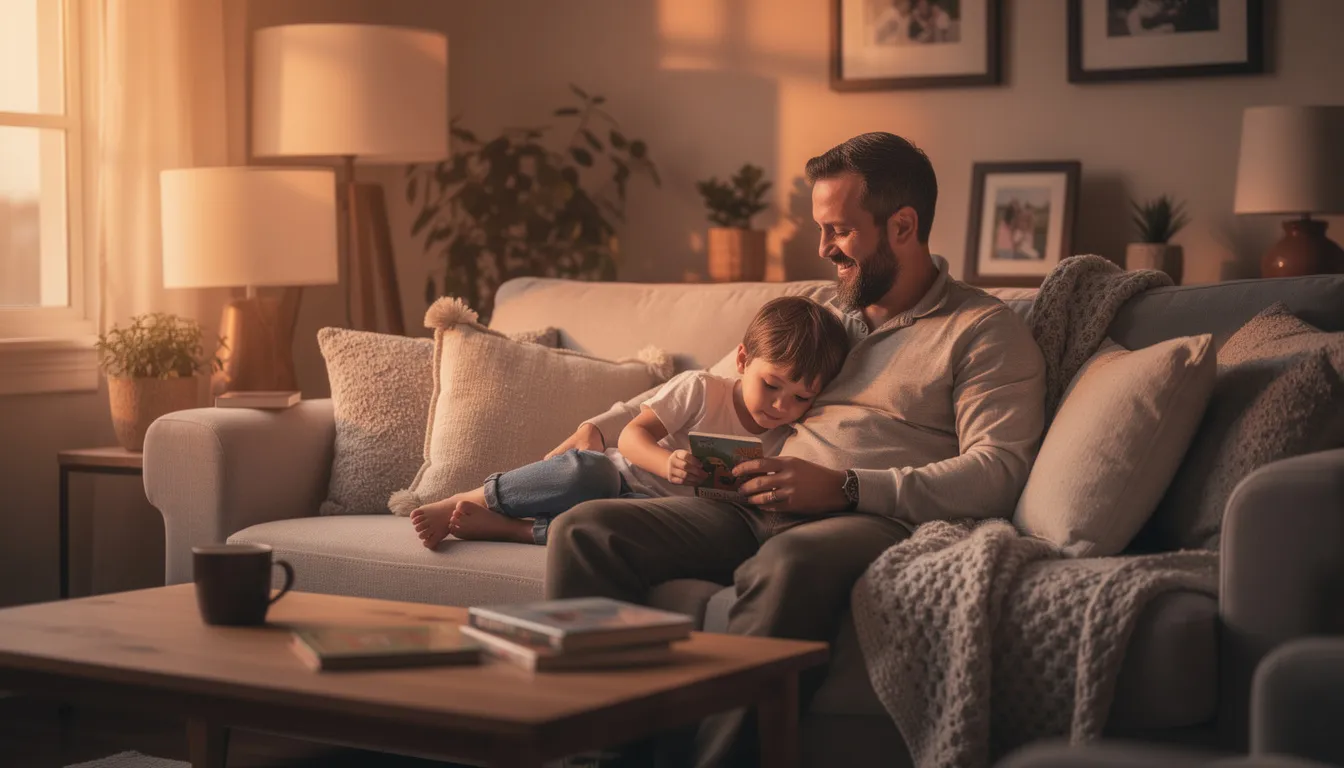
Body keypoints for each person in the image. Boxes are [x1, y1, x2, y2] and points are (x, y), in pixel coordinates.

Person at [544, 132, 1047, 768]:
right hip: (740, 503)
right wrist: (597, 428)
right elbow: (716, 385)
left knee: (787, 566)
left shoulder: (981, 331)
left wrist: (846, 488)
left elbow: (998, 471)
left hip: (863, 519)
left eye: (839, 230)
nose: (823, 248)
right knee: (585, 530)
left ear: (903, 225)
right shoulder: (813, 308)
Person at [408, 296, 850, 549]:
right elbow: (635, 435)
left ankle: (514, 531)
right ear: (742, 360)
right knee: (588, 469)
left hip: (655, 512)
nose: (780, 405)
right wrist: (666, 463)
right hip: (620, 477)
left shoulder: (788, 438)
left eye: (801, 397)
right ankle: (472, 498)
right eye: (771, 385)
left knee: (620, 532)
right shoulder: (701, 389)